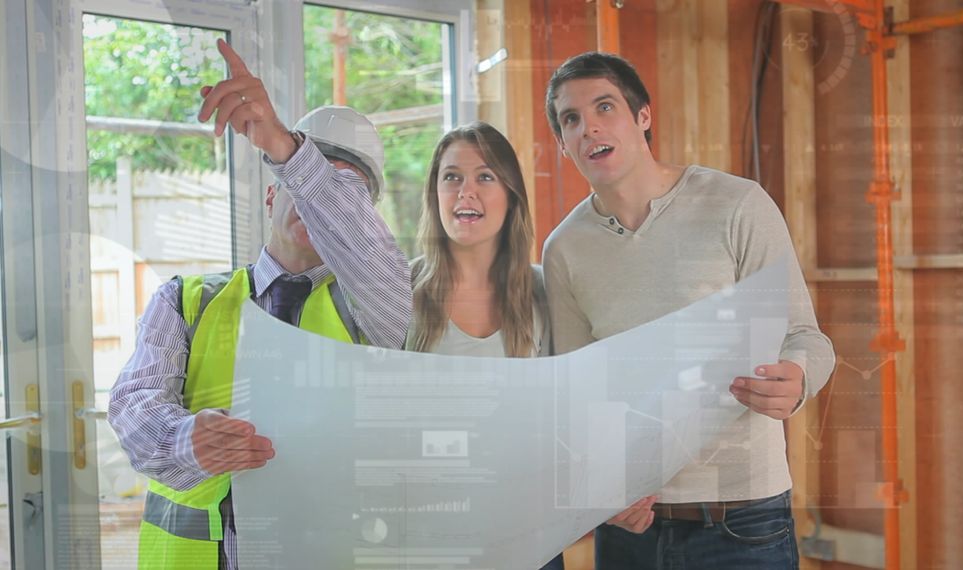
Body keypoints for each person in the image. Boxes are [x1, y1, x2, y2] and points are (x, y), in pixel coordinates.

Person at [108, 39, 411, 570]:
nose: (322, 208)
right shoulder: (184, 302)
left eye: (346, 195)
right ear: (273, 195)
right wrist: (184, 438)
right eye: (313, 181)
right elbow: (133, 408)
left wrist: (289, 150)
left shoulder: (378, 315)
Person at [541, 51, 835, 569]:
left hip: (744, 521)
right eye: (571, 119)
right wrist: (600, 492)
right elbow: (578, 393)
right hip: (633, 526)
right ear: (562, 143)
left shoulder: (738, 205)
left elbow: (806, 338)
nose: (588, 127)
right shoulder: (563, 249)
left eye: (604, 107)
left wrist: (798, 376)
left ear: (643, 117)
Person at [405, 122, 562, 569]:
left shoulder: (544, 294)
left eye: (485, 177)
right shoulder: (399, 292)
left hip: (528, 537)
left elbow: (569, 412)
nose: (465, 191)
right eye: (451, 177)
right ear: (435, 193)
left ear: (511, 194)